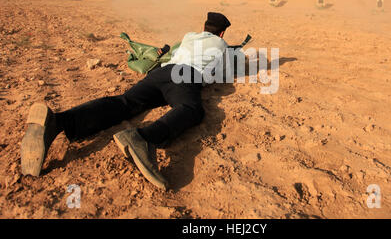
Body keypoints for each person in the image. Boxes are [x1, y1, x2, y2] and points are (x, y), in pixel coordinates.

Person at [21, 12, 235, 191]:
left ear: (204, 27)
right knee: (191, 109)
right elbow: (223, 73)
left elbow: (174, 54)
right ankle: (145, 138)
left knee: (125, 103)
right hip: (186, 77)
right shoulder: (222, 45)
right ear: (222, 32)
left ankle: (59, 122)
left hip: (161, 74)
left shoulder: (190, 36)